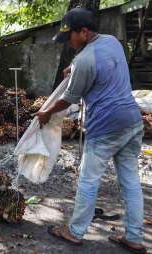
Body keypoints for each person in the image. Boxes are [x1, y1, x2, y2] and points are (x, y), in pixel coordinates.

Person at [35, 7, 146, 253]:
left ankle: (74, 232)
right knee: (130, 180)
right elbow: (101, 65)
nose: (69, 43)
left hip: (106, 127)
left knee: (88, 180)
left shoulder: (84, 60)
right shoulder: (112, 42)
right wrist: (74, 68)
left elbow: (68, 99)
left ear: (83, 32)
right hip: (132, 122)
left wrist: (46, 113)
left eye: (71, 37)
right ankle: (134, 237)